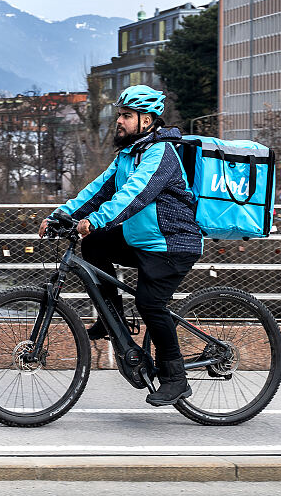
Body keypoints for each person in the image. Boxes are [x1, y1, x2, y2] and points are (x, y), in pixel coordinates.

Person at [38, 85, 201, 406]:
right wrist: (60, 215)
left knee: (150, 304)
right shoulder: (128, 154)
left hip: (172, 243)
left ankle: (175, 378)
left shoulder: (162, 153)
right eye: (120, 115)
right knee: (94, 245)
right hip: (144, 239)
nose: (119, 121)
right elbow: (97, 190)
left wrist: (95, 220)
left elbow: (134, 195)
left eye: (126, 116)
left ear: (146, 120)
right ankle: (111, 317)